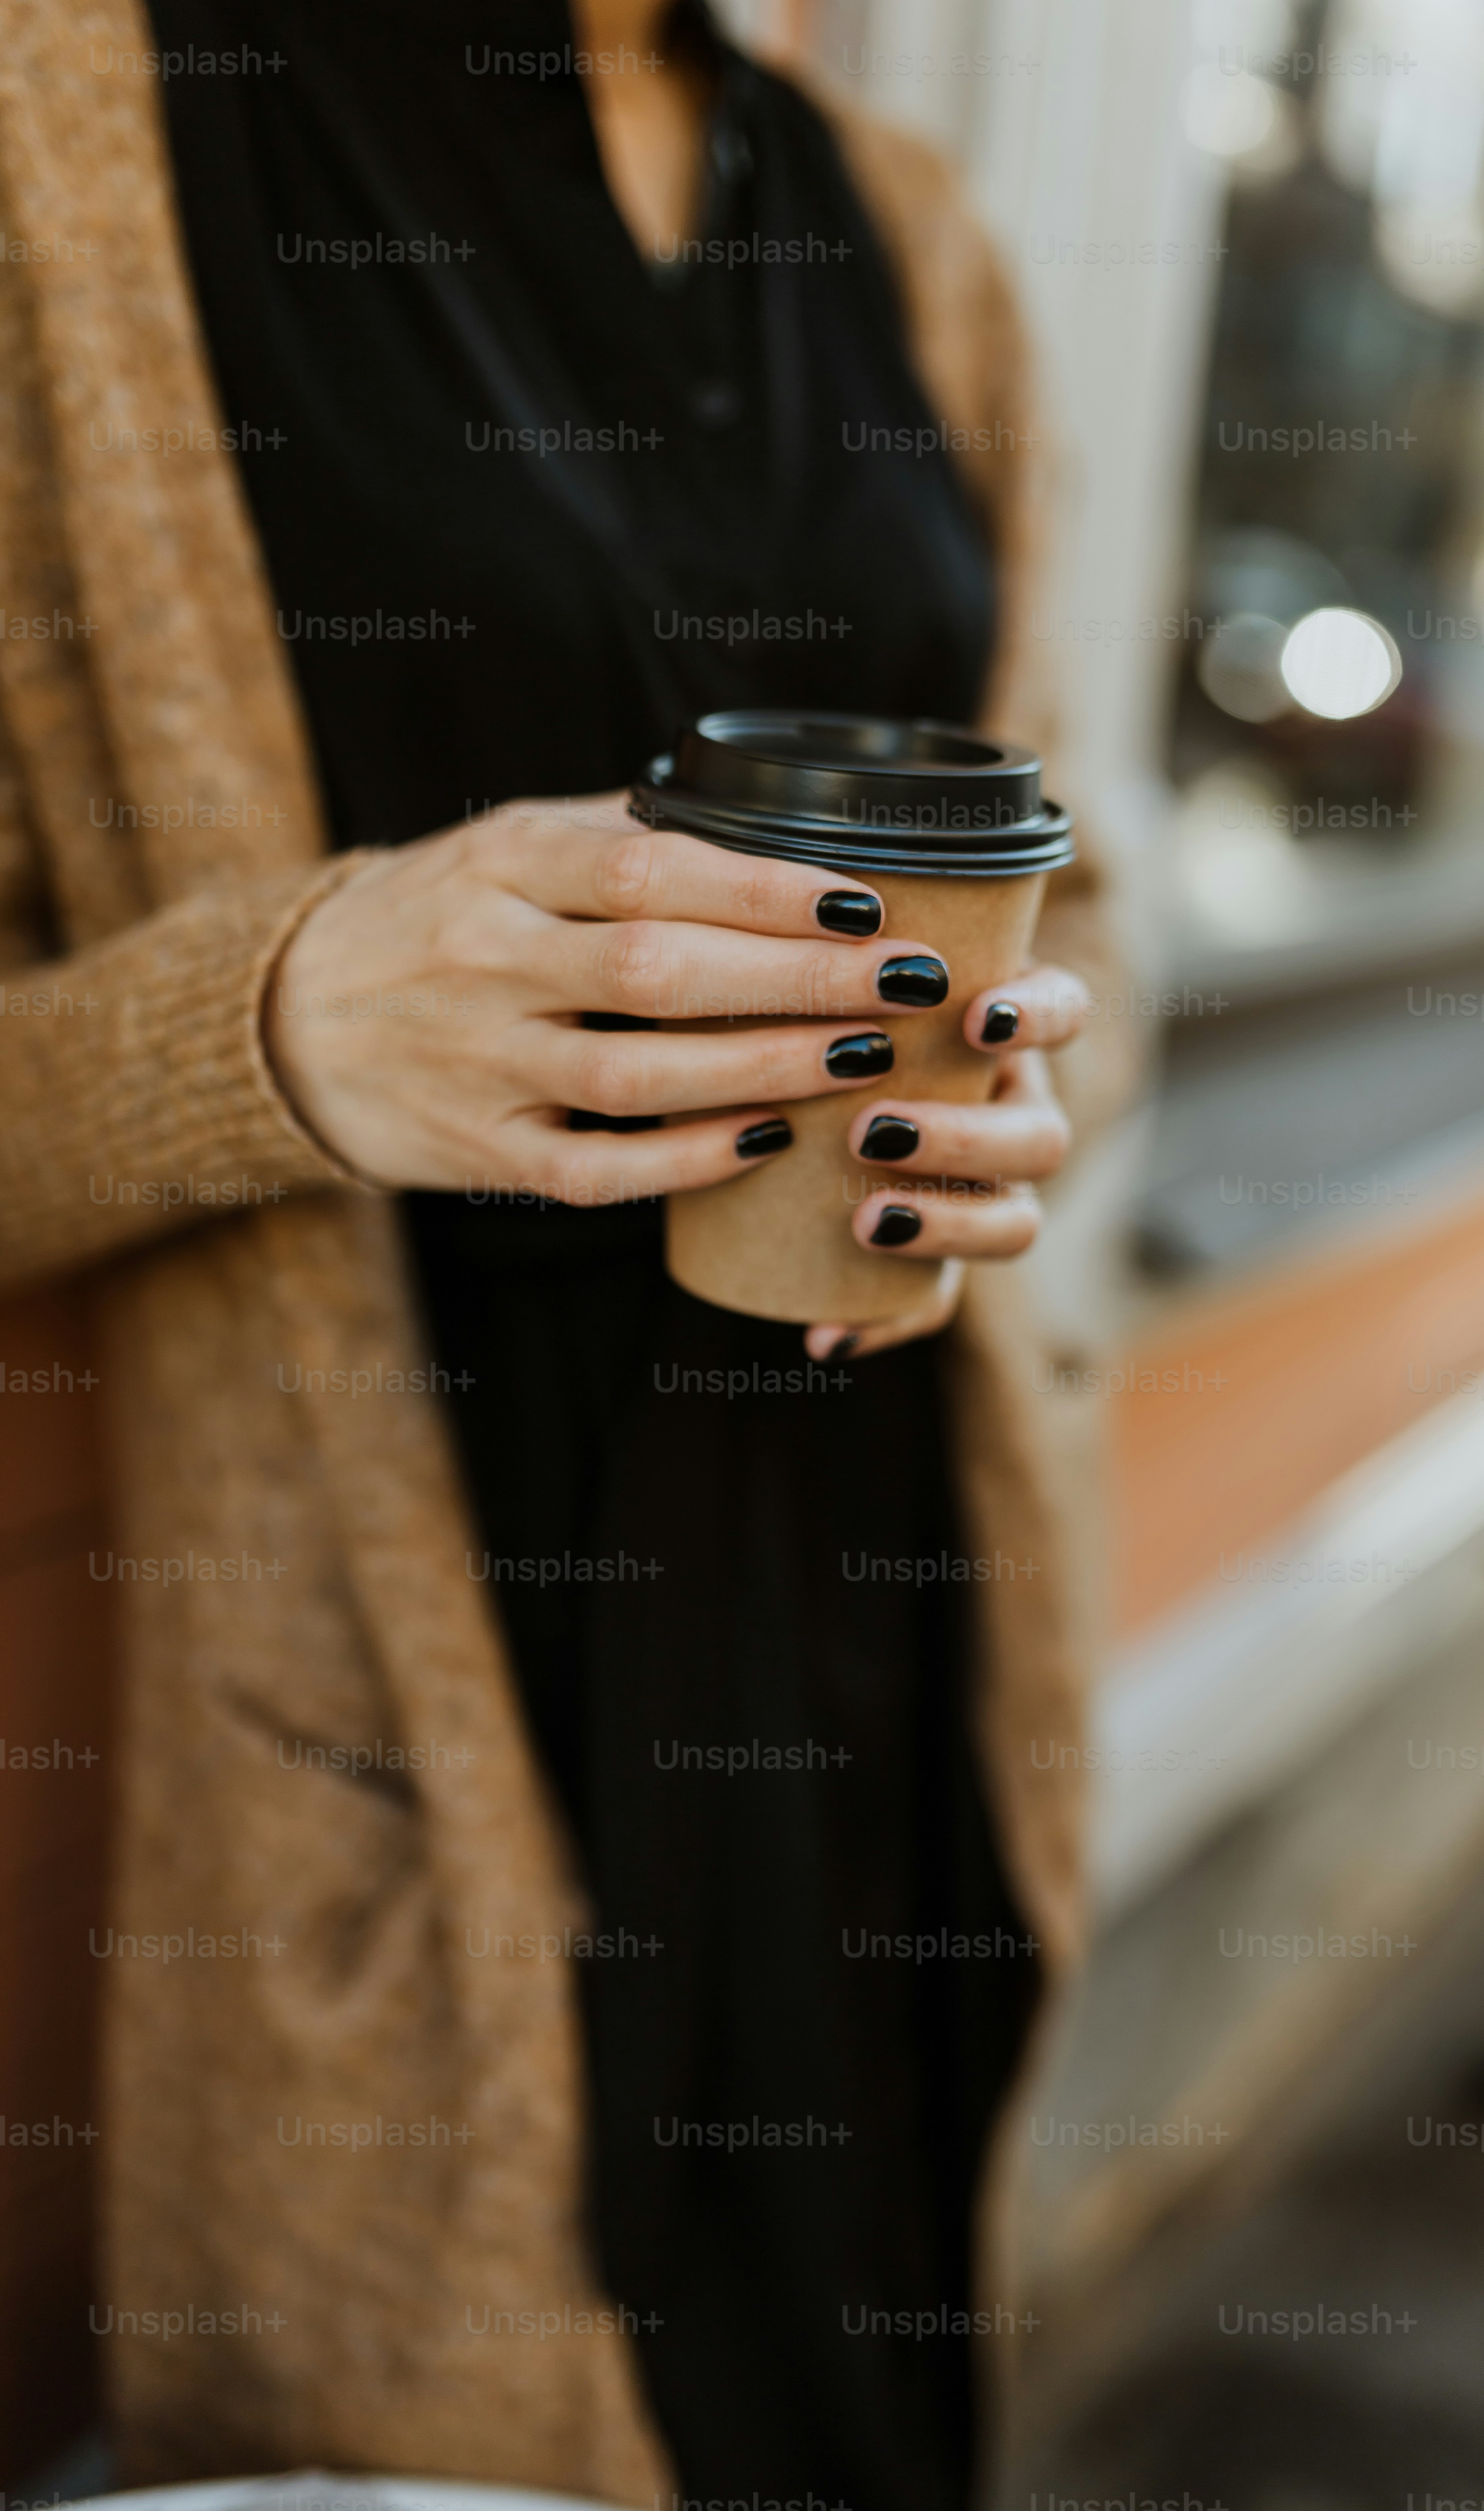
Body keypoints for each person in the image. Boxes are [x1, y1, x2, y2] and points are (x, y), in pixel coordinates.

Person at [0, 0, 1126, 2503]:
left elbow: (1088, 904)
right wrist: (277, 1023)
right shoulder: (65, 129)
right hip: (413, 1653)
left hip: (887, 1576)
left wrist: (1032, 1077)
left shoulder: (893, 223)